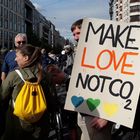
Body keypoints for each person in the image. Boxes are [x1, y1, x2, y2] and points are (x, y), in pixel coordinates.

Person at [0, 44, 56, 140]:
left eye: (17, 56)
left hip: (17, 123)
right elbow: (52, 101)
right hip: (41, 125)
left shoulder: (14, 75)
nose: (15, 59)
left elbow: (2, 97)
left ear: (25, 58)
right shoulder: (45, 76)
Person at [70, 19, 112, 140]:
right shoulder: (82, 54)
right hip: (83, 111)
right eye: (74, 34)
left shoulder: (105, 54)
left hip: (98, 116)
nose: (76, 38)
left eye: (79, 33)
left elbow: (115, 87)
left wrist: (107, 116)